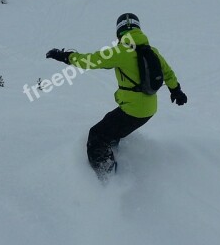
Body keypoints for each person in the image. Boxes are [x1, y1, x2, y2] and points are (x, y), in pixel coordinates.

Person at [46, 13, 187, 180]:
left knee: (97, 136)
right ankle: (113, 151)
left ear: (119, 32)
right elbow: (168, 73)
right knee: (111, 127)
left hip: (133, 110)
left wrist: (65, 56)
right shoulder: (152, 51)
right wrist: (176, 90)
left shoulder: (121, 52)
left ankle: (106, 180)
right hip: (148, 109)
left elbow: (89, 61)